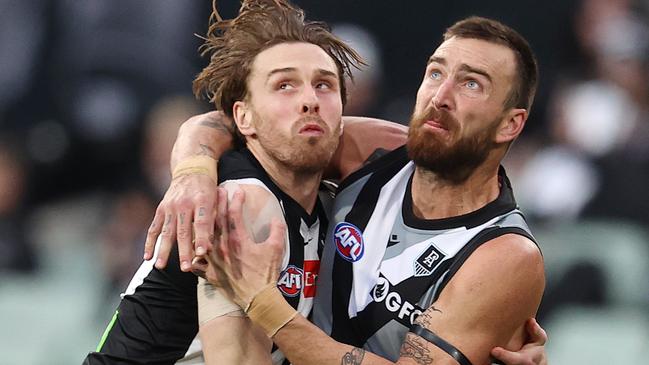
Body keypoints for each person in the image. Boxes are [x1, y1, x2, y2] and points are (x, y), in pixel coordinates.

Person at [180, 14, 546, 365]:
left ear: (510, 124)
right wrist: (191, 174)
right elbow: (238, 123)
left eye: (471, 84)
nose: (440, 96)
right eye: (435, 72)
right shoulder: (375, 153)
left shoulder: (505, 254)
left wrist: (262, 303)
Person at [84, 1, 408, 364]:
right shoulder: (241, 203)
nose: (309, 100)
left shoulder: (327, 199)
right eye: (285, 85)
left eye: (324, 85)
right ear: (243, 118)